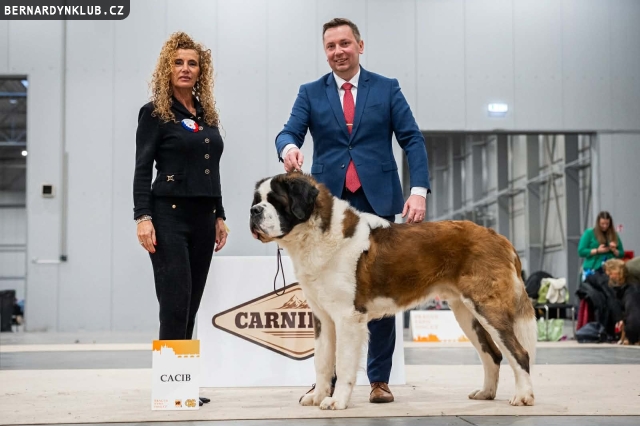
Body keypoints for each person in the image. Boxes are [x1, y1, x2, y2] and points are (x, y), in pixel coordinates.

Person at [275, 18, 430, 404]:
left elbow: (411, 138)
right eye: (331, 46)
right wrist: (288, 148)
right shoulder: (310, 92)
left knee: (381, 290)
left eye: (345, 43)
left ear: (360, 46)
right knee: (326, 298)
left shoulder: (387, 88)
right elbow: (288, 131)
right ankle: (325, 381)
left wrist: (418, 191)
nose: (338, 51)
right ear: (325, 51)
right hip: (328, 211)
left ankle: (379, 379)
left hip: (379, 203)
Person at [133, 32, 227, 405]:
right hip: (168, 217)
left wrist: (220, 214)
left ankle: (181, 386)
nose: (185, 69)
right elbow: (142, 169)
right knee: (175, 301)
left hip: (203, 219)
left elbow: (211, 170)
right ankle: (170, 391)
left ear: (201, 71)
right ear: (166, 69)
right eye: (178, 62)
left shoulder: (206, 114)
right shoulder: (155, 113)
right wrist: (142, 216)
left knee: (191, 303)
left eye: (192, 63)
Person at [578, 211, 624, 281]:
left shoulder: (614, 234)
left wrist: (614, 250)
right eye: (602, 224)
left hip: (610, 270)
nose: (605, 226)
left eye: (607, 224)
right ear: (598, 223)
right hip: (593, 267)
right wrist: (597, 251)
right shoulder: (589, 233)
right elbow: (581, 251)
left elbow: (622, 253)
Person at [604, 259, 640, 345]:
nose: (610, 277)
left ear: (615, 269)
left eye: (610, 274)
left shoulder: (632, 269)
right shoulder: (626, 279)